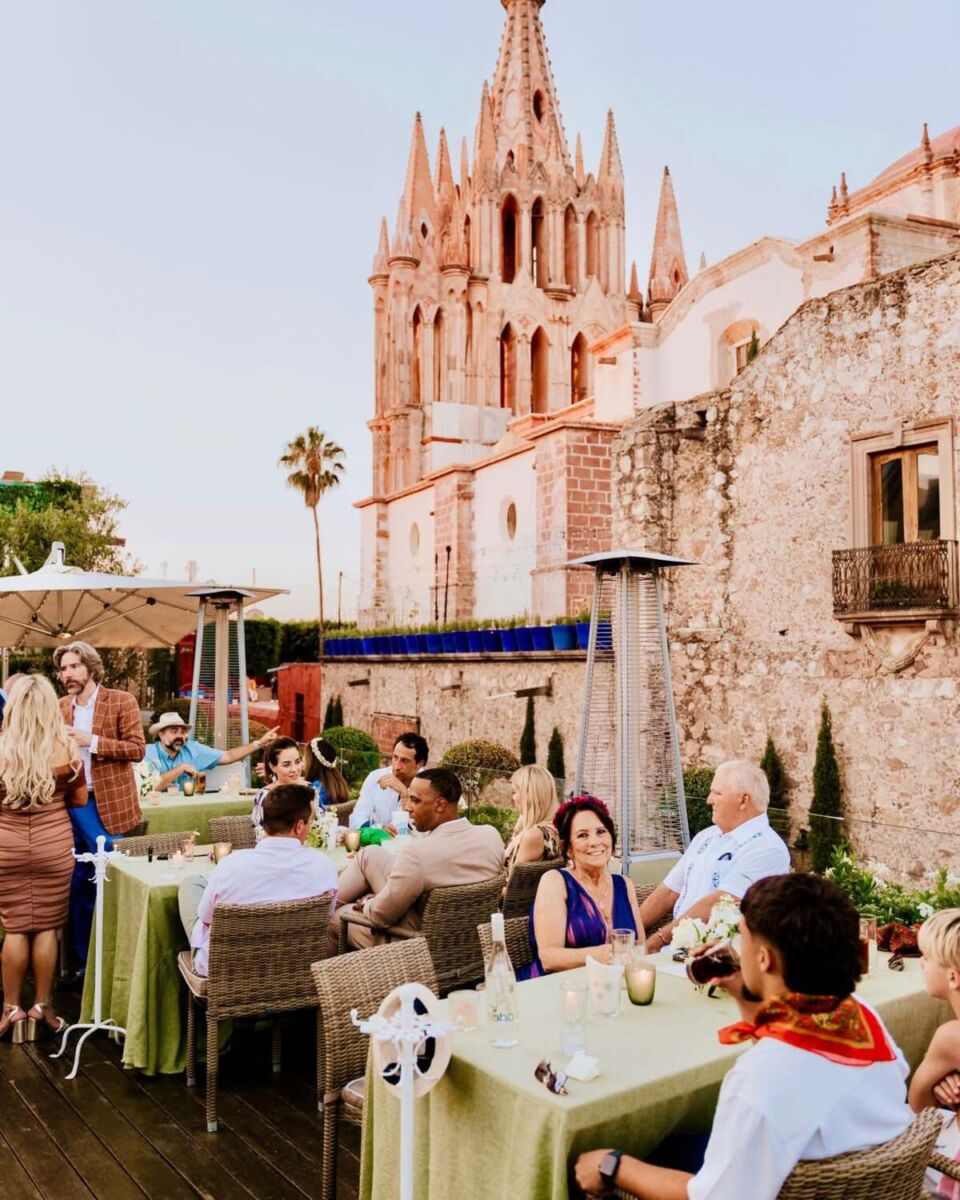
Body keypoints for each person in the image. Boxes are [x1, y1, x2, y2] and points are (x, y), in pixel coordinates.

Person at [573, 873, 913, 1199]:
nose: (737, 946)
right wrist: (744, 990)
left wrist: (613, 1165)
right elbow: (793, 1044)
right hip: (861, 1171)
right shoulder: (861, 1014)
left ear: (763, 958)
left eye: (742, 937)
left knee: (616, 1157)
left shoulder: (759, 1078)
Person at [329, 767, 504, 953]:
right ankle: (328, 905)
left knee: (335, 918)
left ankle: (327, 974)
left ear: (440, 805)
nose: (406, 807)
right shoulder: (491, 836)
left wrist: (366, 903)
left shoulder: (417, 854)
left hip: (415, 945)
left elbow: (381, 916)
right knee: (369, 854)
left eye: (414, 800)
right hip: (469, 941)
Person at [0, 676, 88, 1039]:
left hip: (6, 846)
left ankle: (9, 1009)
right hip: (54, 845)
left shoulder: (2, 749)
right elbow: (80, 800)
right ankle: (42, 1006)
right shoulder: (66, 749)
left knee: (16, 926)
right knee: (49, 927)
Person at [178, 783, 337, 977]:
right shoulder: (323, 866)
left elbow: (206, 918)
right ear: (299, 826)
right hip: (296, 968)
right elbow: (326, 917)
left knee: (191, 884)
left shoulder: (230, 866)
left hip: (227, 971)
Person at [54, 640, 145, 972]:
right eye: (63, 668)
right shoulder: (60, 706)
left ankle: (115, 959)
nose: (67, 674)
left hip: (109, 805)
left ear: (90, 667)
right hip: (68, 805)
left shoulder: (122, 700)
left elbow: (137, 749)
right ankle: (82, 962)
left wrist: (89, 741)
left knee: (109, 878)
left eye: (74, 666)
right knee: (78, 883)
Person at [640, 759, 790, 954]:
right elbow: (669, 891)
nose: (709, 800)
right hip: (675, 950)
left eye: (717, 793)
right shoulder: (707, 835)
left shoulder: (768, 849)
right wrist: (629, 933)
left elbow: (716, 903)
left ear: (743, 800)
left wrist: (656, 941)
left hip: (715, 957)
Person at [519, 795, 642, 980]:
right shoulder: (555, 882)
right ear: (568, 849)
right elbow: (548, 958)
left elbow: (640, 947)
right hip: (554, 989)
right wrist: (601, 955)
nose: (594, 842)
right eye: (582, 835)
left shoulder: (625, 885)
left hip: (613, 988)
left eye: (601, 831)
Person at [908, 908, 960, 1195]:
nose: (922, 964)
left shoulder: (951, 1037)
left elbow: (920, 1105)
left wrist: (938, 1082)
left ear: (953, 977)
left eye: (927, 958)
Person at [145, 711, 279, 791]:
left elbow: (228, 756)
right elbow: (153, 786)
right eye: (174, 732)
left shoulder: (193, 749)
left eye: (183, 731)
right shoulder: (149, 753)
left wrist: (259, 743)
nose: (180, 736)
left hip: (188, 809)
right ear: (161, 735)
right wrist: (181, 768)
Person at [349, 732, 428, 830]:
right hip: (373, 841)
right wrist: (378, 830)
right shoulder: (376, 777)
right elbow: (357, 818)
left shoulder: (428, 787)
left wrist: (405, 794)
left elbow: (416, 831)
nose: (396, 766)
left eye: (405, 761)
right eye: (395, 757)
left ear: (420, 764)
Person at [504, 764, 560, 878]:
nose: (513, 798)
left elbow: (514, 885)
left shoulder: (534, 836)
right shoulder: (555, 828)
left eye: (514, 792)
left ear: (528, 796)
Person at [250, 737, 303, 832]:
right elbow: (259, 833)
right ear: (273, 767)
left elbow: (324, 825)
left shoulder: (310, 789)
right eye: (286, 765)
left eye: (298, 762)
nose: (295, 769)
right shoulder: (265, 796)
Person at [302, 736, 350, 809]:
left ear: (312, 761)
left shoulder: (315, 789)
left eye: (305, 755)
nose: (302, 758)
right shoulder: (338, 783)